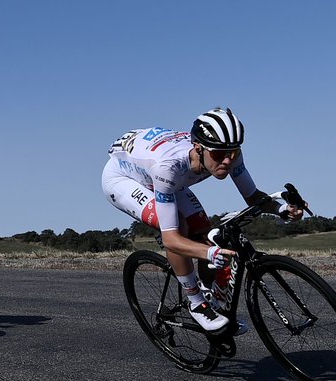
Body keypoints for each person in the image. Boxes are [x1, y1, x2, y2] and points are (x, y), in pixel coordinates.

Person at [101, 107, 304, 332]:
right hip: (123, 178)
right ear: (199, 148)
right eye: (219, 155)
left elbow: (253, 197)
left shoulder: (225, 152)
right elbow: (171, 239)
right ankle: (196, 303)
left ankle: (211, 300)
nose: (227, 161)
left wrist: (283, 209)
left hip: (161, 170)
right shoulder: (169, 167)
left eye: (234, 153)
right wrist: (209, 253)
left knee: (203, 229)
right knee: (178, 225)